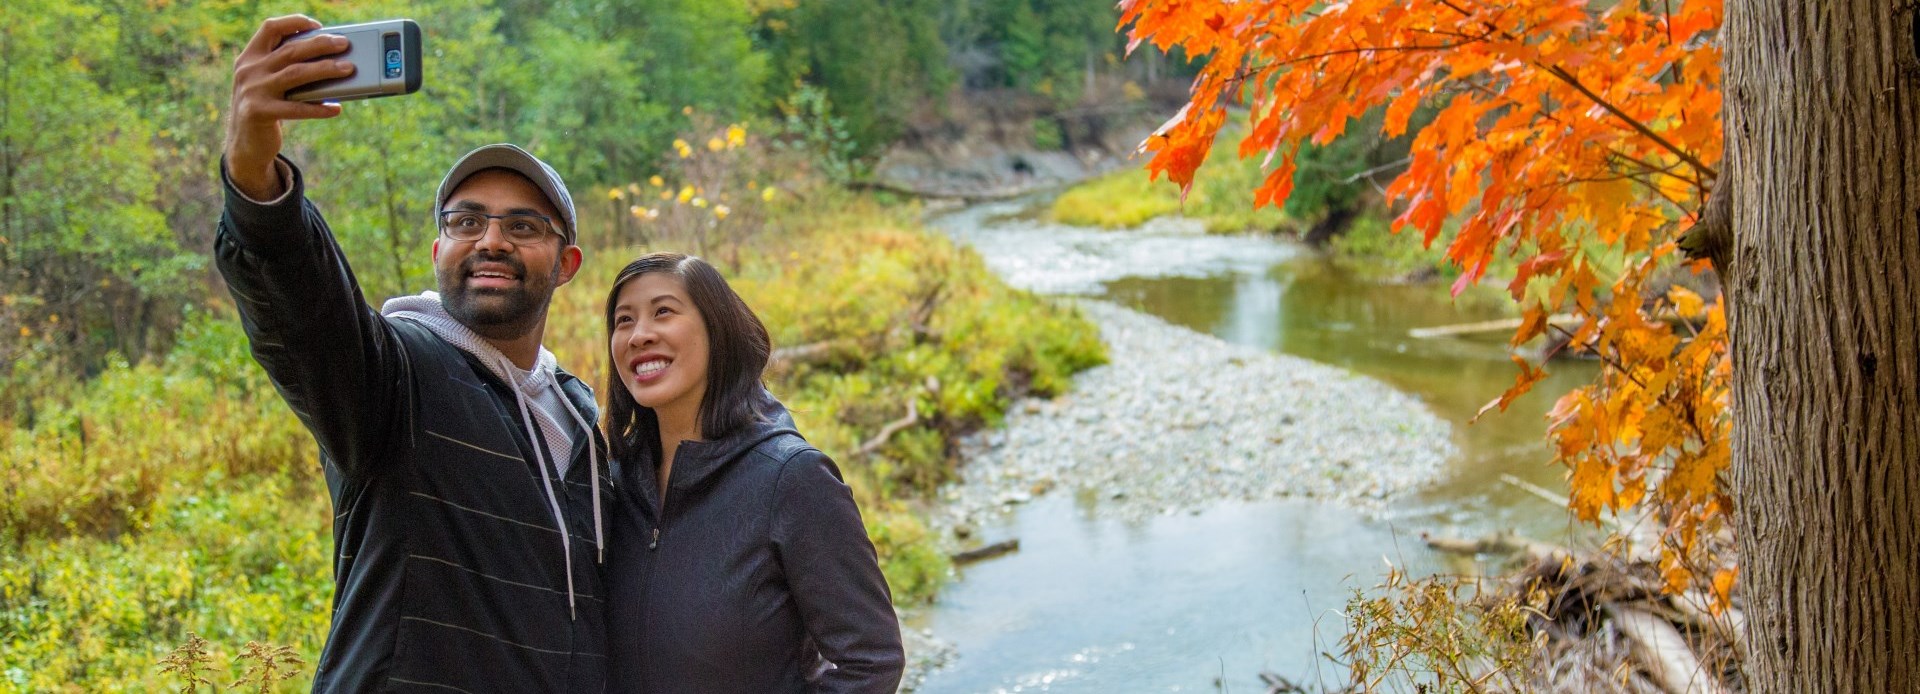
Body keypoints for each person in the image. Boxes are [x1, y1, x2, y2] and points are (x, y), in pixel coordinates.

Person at [216, 15, 610, 692]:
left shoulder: (580, 419)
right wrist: (256, 181)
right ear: (438, 253)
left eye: (523, 226)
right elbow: (305, 314)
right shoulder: (396, 379)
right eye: (465, 221)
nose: (491, 240)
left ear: (565, 262)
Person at [600, 253, 904, 692]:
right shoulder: (613, 482)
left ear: (716, 329)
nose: (639, 335)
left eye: (663, 311)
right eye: (624, 320)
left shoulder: (792, 479)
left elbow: (871, 659)